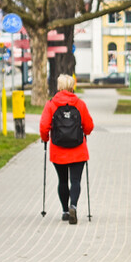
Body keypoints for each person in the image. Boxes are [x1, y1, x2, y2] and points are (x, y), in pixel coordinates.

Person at [39, 74, 94, 224]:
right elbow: (89, 126)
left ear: (59, 86)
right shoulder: (80, 104)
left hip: (58, 150)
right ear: (72, 86)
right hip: (78, 150)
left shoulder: (51, 104)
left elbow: (44, 126)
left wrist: (45, 139)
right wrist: (86, 132)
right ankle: (73, 206)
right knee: (75, 181)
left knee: (62, 180)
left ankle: (64, 211)